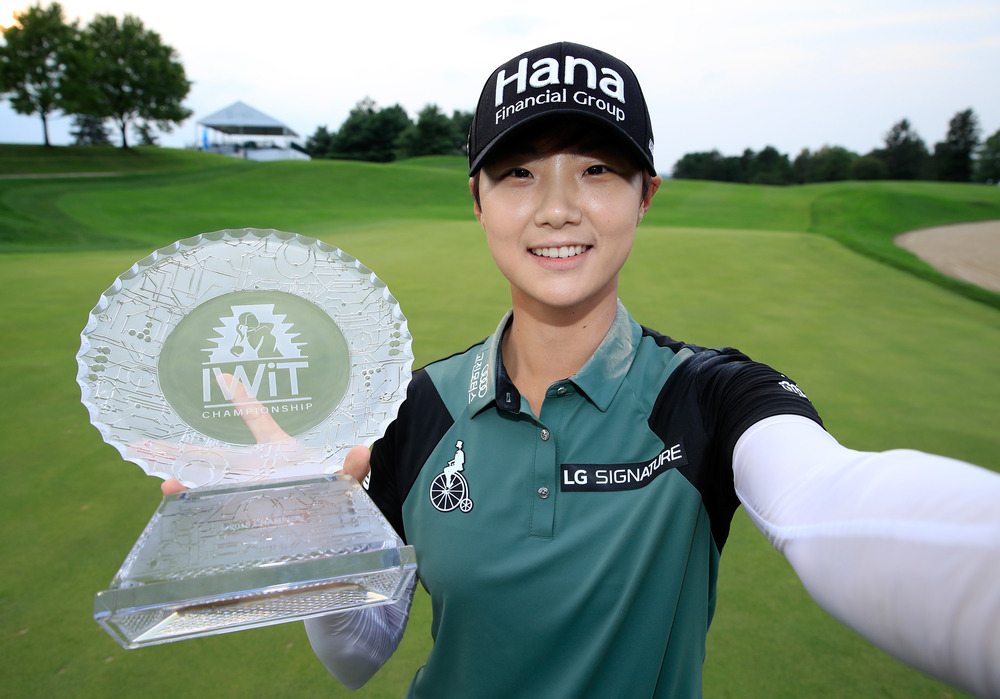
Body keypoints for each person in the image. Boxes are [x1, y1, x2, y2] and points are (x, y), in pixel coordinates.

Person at [166, 42, 1000, 698]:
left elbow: (834, 502)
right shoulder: (415, 406)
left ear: (646, 193)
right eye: (519, 170)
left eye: (596, 168)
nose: (557, 206)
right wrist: (317, 528)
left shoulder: (709, 395)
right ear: (478, 199)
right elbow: (357, 654)